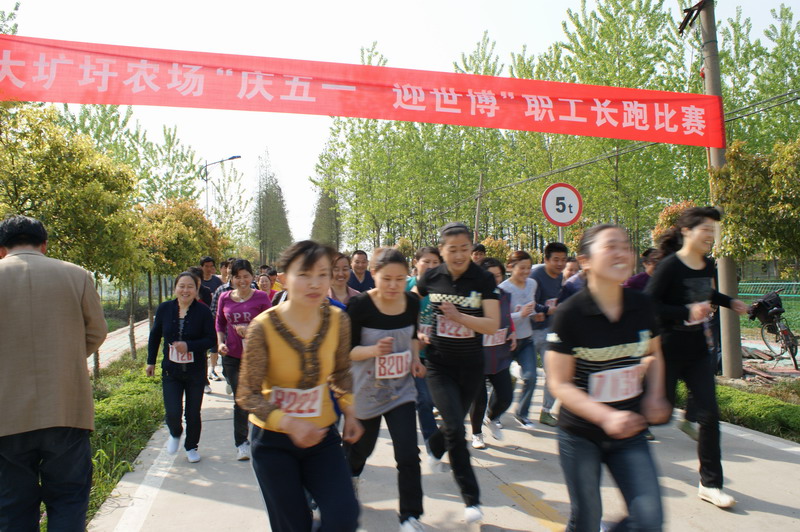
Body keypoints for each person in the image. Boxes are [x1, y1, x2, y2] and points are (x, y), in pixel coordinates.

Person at [547, 224, 671, 532]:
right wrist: (605, 416)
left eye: (625, 246)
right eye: (610, 246)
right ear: (585, 260)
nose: (622, 253)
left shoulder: (641, 306)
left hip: (630, 432)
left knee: (649, 519)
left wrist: (655, 394)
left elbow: (654, 353)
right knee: (586, 520)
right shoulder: (570, 314)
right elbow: (559, 383)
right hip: (580, 435)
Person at [237, 240, 363, 532]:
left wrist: (351, 411)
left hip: (322, 437)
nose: (314, 283)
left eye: (322, 274)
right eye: (304, 274)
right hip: (272, 443)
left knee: (344, 516)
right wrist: (289, 423)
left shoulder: (338, 320)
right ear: (283, 278)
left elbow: (341, 372)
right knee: (293, 525)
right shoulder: (263, 327)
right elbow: (246, 393)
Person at [0, 215, 107, 531]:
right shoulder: (76, 275)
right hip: (66, 407)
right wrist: (65, 359)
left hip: (6, 416)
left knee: (12, 508)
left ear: (1, 249)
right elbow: (97, 331)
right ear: (44, 245)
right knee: (68, 500)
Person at [646, 207, 748, 508]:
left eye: (713, 231)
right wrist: (685, 312)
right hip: (667, 350)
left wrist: (729, 301)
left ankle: (710, 484)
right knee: (656, 414)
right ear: (687, 231)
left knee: (709, 416)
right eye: (705, 229)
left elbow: (706, 294)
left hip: (698, 351)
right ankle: (615, 452)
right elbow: (648, 304)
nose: (711, 236)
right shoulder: (669, 266)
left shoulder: (706, 264)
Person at [416, 222, 500, 524]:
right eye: (452, 250)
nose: (460, 255)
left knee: (452, 426)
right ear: (442, 251)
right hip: (439, 365)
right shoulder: (431, 277)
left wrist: (460, 317)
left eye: (465, 248)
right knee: (455, 427)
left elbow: (492, 324)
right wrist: (417, 333)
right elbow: (412, 303)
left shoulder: (483, 279)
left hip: (471, 366)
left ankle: (434, 446)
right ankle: (471, 499)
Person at [345, 249, 427, 531]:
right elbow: (347, 351)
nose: (393, 285)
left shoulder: (412, 302)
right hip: (366, 390)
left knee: (408, 454)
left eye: (400, 279)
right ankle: (349, 477)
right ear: (374, 275)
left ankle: (410, 515)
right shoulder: (359, 306)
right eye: (387, 279)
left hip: (400, 390)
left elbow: (413, 335)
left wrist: (415, 359)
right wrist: (373, 350)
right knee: (360, 449)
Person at [147, 271, 216, 463]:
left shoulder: (203, 311)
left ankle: (191, 446)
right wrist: (151, 361)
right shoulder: (165, 308)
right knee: (173, 412)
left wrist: (189, 346)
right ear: (175, 288)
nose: (185, 290)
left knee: (193, 413)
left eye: (190, 287)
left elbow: (211, 339)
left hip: (195, 372)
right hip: (171, 371)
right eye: (182, 286)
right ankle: (175, 433)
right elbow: (155, 335)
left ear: (196, 289)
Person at [216, 259, 272, 460]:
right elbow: (220, 323)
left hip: (256, 356)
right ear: (231, 278)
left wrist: (251, 330)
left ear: (252, 277)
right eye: (237, 277)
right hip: (232, 356)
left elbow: (270, 325)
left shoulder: (261, 297)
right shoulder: (224, 297)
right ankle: (241, 443)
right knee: (240, 400)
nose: (242, 281)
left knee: (258, 397)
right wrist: (220, 343)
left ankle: (262, 439)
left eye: (245, 276)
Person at [470, 258, 516, 449]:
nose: (495, 279)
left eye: (498, 275)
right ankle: (476, 434)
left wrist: (512, 332)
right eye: (490, 275)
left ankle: (492, 417)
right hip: (477, 357)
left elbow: (507, 316)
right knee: (479, 401)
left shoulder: (505, 294)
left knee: (506, 396)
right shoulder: (474, 296)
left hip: (500, 355)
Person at [499, 250, 542, 430]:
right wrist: (520, 314)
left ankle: (522, 413)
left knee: (531, 377)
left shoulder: (532, 283)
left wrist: (534, 314)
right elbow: (499, 318)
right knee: (502, 383)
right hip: (507, 341)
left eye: (528, 268)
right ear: (510, 267)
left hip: (526, 339)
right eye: (522, 268)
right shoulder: (503, 289)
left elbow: (530, 306)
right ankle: (494, 414)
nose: (526, 272)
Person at [529, 241, 569, 427]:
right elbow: (528, 302)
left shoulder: (561, 276)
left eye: (563, 260)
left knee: (553, 372)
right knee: (528, 376)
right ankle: (498, 409)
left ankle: (546, 411)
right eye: (556, 259)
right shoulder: (535, 276)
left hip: (550, 332)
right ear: (546, 259)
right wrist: (544, 310)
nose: (560, 264)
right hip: (530, 332)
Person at [407, 247, 441, 457]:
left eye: (435, 262)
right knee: (424, 401)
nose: (430, 266)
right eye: (426, 262)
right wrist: (415, 334)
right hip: (415, 354)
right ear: (415, 262)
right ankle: (432, 445)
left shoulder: (445, 287)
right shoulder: (406, 286)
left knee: (437, 400)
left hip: (439, 354)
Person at [200, 257, 225, 383]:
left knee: (214, 345)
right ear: (201, 267)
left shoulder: (216, 281)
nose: (209, 269)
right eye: (206, 266)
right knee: (202, 347)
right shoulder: (197, 281)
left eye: (211, 266)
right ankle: (203, 373)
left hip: (214, 318)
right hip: (200, 320)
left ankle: (212, 370)